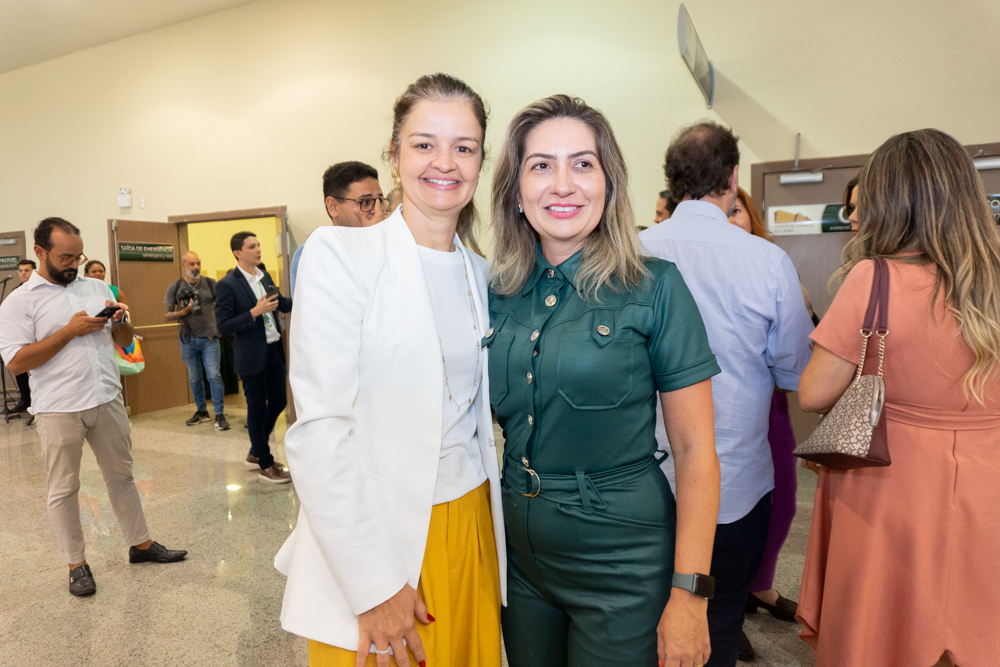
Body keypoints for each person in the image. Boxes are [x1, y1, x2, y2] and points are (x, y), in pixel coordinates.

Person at [275, 73, 505, 667]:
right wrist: (374, 585)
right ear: (395, 156)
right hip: (377, 539)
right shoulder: (341, 256)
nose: (445, 162)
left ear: (481, 159)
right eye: (424, 143)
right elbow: (318, 431)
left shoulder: (479, 274)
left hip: (472, 524)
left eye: (464, 146)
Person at [489, 94, 721, 667]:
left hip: (623, 563)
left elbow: (696, 451)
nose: (562, 184)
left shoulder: (655, 286)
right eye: (541, 165)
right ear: (516, 191)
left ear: (609, 183)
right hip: (520, 561)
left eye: (582, 164)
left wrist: (690, 597)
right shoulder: (496, 293)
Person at [796, 129, 1000, 667]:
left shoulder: (874, 278)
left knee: (879, 631)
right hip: (990, 485)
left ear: (890, 201)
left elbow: (814, 392)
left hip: (889, 485)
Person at [639, 122, 814, 667]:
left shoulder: (634, 251)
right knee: (720, 617)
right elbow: (794, 375)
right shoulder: (767, 262)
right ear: (734, 177)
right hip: (736, 485)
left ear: (670, 179)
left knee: (639, 624)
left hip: (646, 484)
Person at [0, 217, 187, 597]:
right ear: (40, 253)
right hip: (58, 409)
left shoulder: (97, 285)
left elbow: (122, 339)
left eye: (77, 255)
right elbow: (17, 362)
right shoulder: (19, 302)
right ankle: (77, 564)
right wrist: (68, 331)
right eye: (64, 257)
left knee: (122, 476)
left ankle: (141, 544)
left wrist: (120, 320)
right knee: (64, 488)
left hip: (106, 399)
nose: (73, 263)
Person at [726, 187, 807, 660]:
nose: (728, 220)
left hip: (769, 409)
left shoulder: (773, 266)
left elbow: (798, 359)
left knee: (780, 507)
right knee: (723, 517)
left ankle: (762, 587)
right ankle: (728, 608)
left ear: (753, 217)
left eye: (736, 211)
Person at [215, 233, 292, 483]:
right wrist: (255, 312)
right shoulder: (228, 284)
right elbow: (223, 326)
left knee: (279, 401)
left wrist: (307, 298)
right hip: (250, 356)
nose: (258, 249)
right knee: (257, 410)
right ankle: (265, 464)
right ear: (238, 252)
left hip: (273, 350)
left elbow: (280, 303)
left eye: (259, 245)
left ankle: (256, 451)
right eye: (252, 246)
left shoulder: (264, 276)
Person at [289, 161, 388, 295]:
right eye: (365, 202)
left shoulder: (388, 244)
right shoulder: (313, 253)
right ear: (333, 207)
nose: (377, 210)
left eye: (380, 201)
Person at [164, 251, 228, 430]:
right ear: (184, 264)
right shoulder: (175, 287)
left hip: (209, 338)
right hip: (187, 339)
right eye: (192, 264)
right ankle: (202, 411)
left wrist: (221, 326)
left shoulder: (210, 284)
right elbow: (167, 315)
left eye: (198, 263)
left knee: (214, 375)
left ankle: (219, 414)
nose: (196, 267)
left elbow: (223, 305)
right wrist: (181, 313)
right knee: (194, 377)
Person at [10, 259, 36, 413]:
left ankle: (39, 401)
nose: (23, 273)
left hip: (37, 335)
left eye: (27, 270)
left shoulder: (38, 289)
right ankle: (25, 400)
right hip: (21, 334)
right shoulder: (16, 290)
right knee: (20, 369)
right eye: (21, 271)